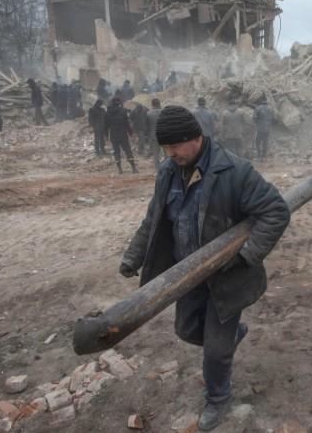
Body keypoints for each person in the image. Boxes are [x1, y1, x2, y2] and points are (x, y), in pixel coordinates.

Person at [119, 105, 290, 430]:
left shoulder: (235, 171)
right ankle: (230, 339)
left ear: (196, 137)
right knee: (185, 329)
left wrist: (246, 256)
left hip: (227, 277)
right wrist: (133, 255)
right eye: (165, 148)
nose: (170, 154)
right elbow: (153, 218)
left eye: (175, 147)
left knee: (214, 351)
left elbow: (276, 211)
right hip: (188, 274)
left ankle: (219, 399)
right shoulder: (168, 172)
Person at [104, 97, 138, 174]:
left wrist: (106, 136)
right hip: (123, 134)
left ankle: (120, 169)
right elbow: (127, 124)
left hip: (113, 135)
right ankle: (133, 168)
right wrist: (131, 133)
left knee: (116, 151)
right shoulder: (123, 111)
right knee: (128, 150)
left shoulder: (107, 113)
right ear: (118, 103)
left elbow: (105, 126)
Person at [146, 98, 163, 170]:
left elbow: (147, 126)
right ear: (159, 103)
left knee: (156, 154)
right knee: (167, 153)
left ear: (152, 104)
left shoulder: (148, 113)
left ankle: (158, 169)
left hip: (154, 136)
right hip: (165, 135)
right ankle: (169, 167)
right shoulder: (164, 112)